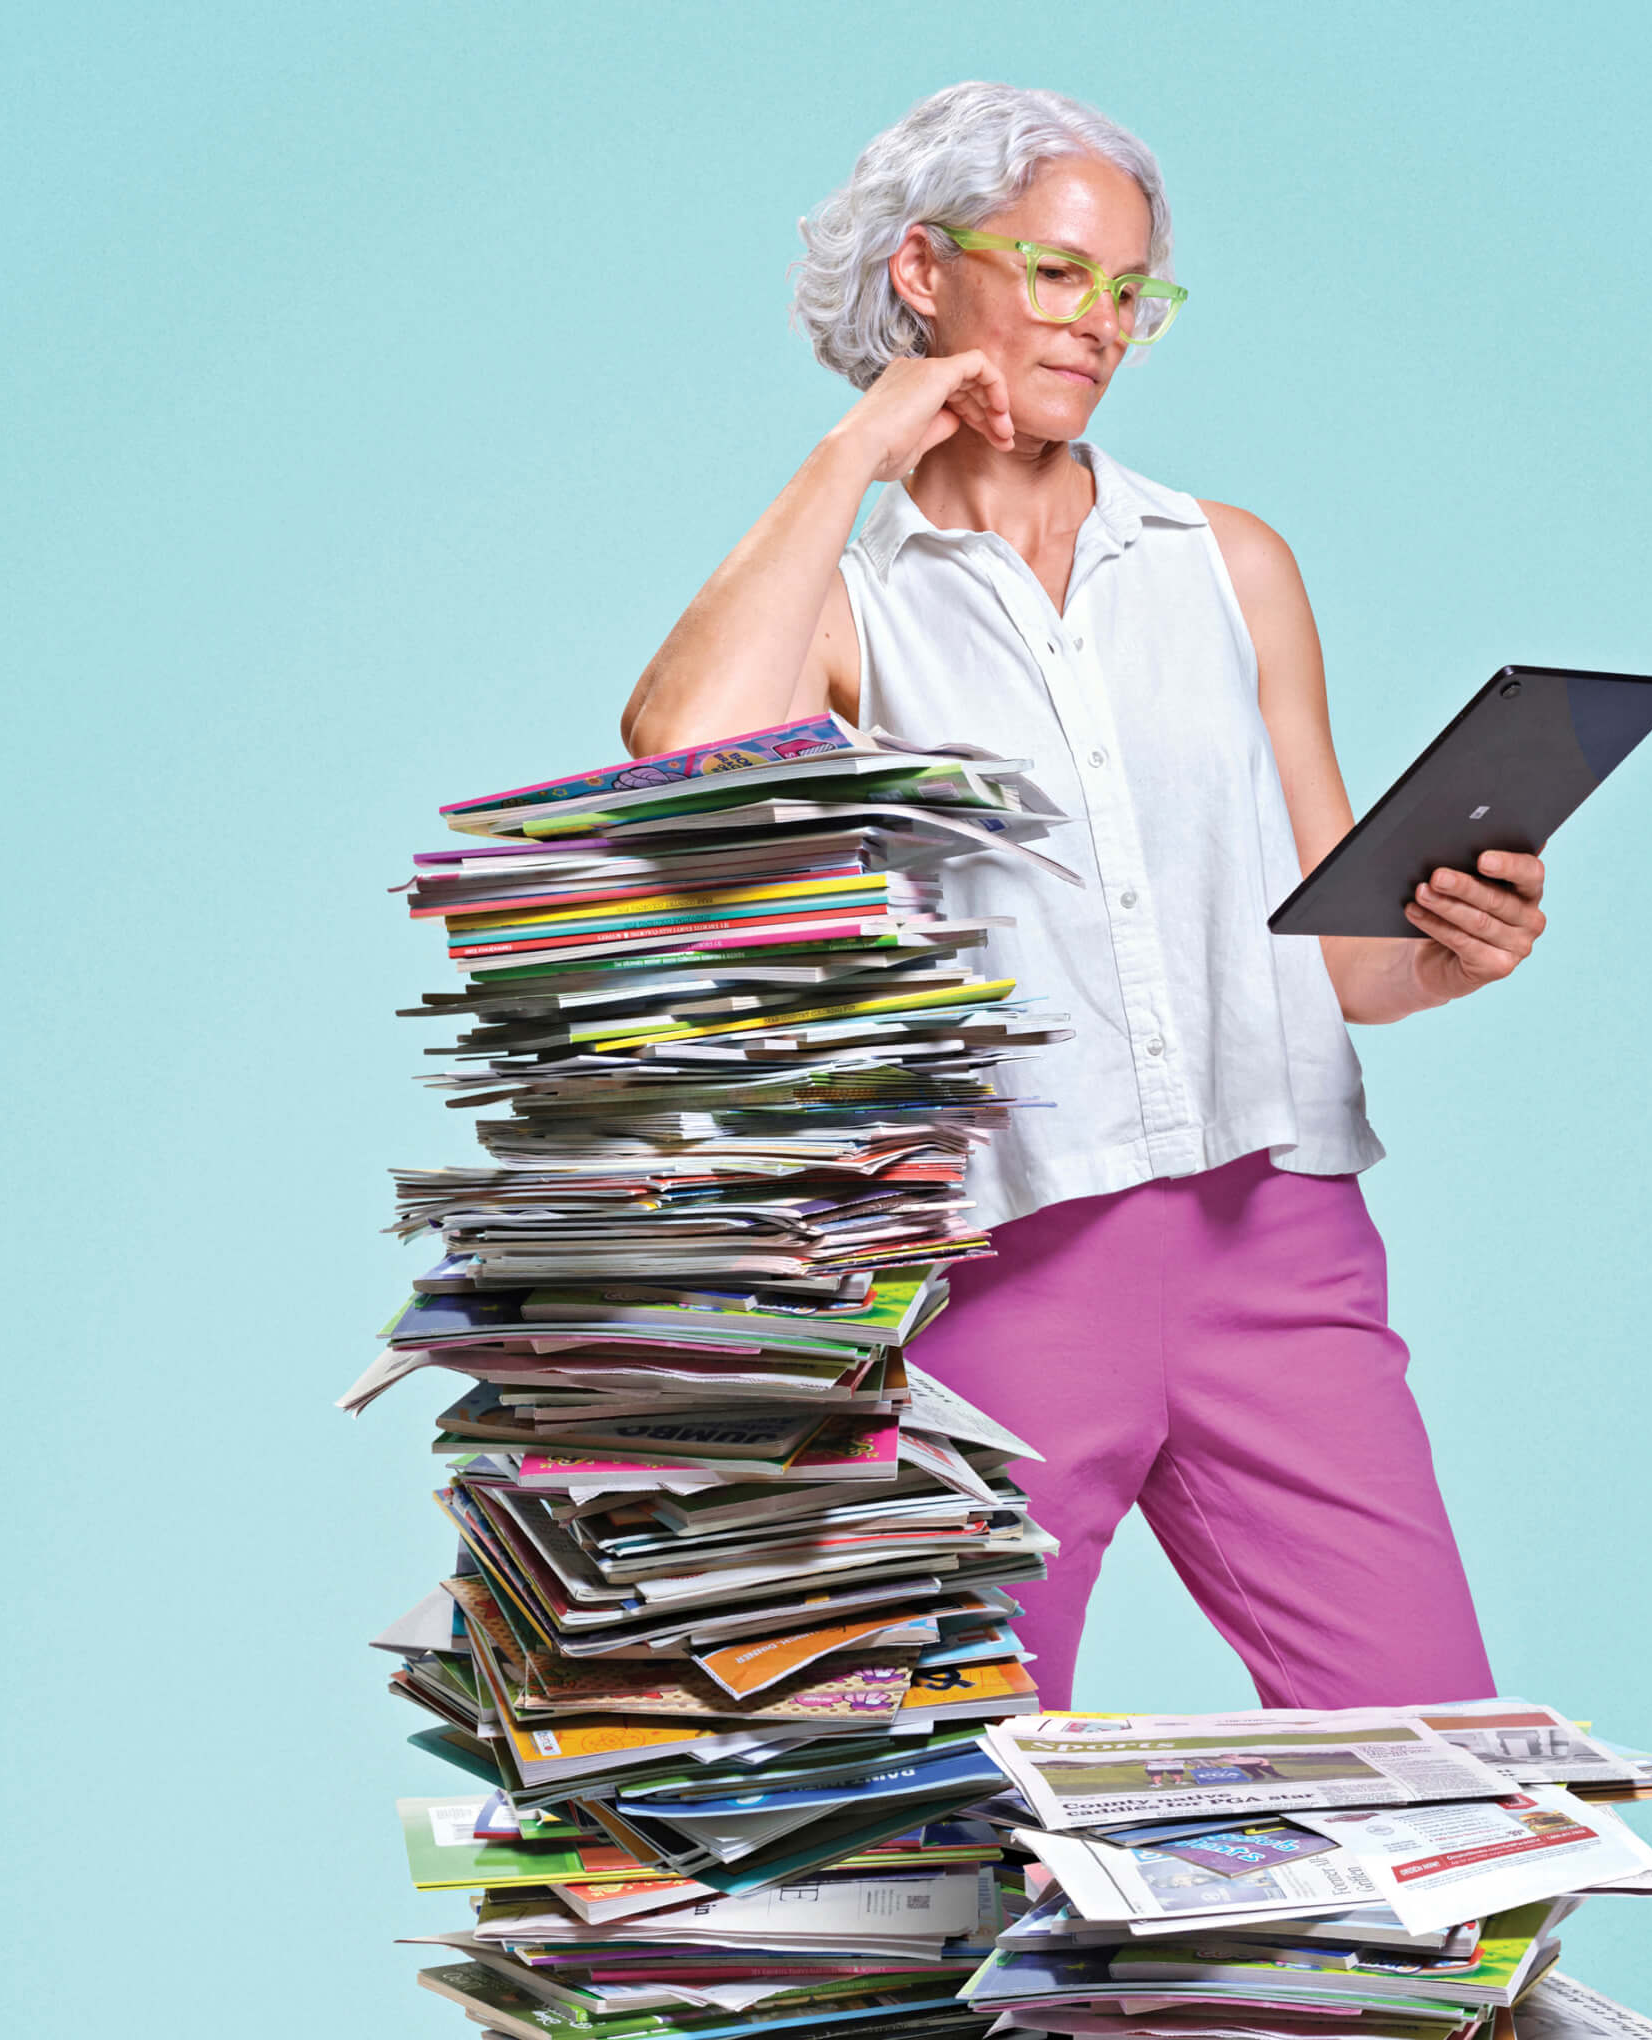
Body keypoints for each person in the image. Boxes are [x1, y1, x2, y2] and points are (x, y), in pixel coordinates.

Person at [623, 82, 1547, 1711]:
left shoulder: (1225, 559)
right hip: (1011, 1258)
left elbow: (1341, 956)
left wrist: (1451, 952)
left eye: (1128, 292)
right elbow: (679, 747)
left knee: (1443, 1773)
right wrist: (858, 445)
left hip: (1284, 1246)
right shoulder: (849, 609)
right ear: (923, 271)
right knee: (951, 1810)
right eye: (1055, 274)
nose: (1099, 325)